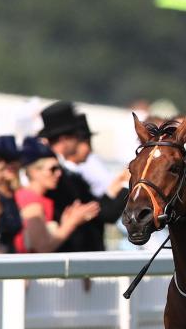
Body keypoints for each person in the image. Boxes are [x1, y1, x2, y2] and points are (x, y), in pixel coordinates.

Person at [38, 102, 124, 251]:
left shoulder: (69, 175)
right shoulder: (59, 176)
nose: (80, 142)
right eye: (77, 136)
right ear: (65, 140)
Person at [14, 137, 98, 253]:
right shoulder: (31, 201)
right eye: (52, 169)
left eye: (59, 168)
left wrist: (64, 223)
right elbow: (42, 249)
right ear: (34, 172)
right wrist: (71, 223)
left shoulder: (37, 198)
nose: (58, 174)